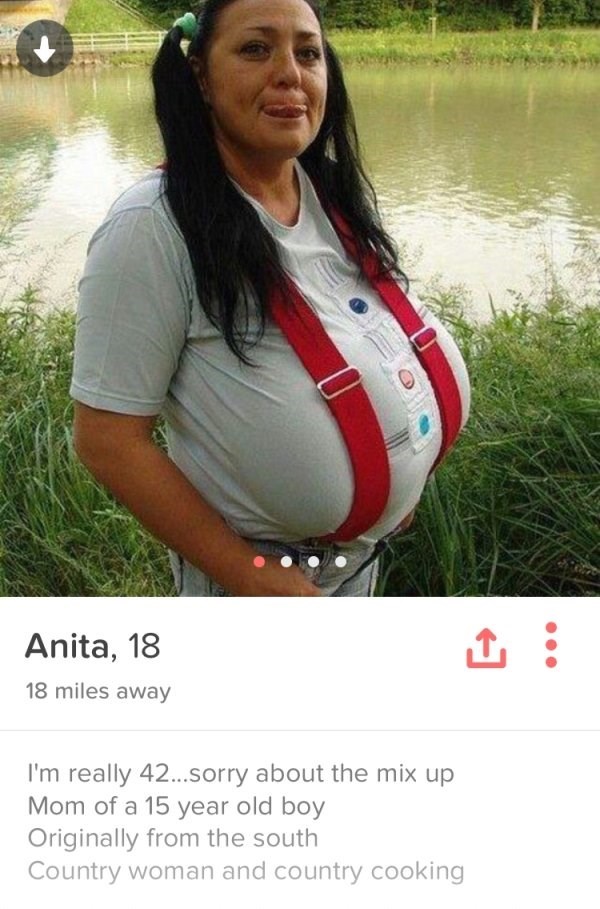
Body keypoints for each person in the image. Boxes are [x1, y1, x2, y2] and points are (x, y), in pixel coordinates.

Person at [70, 0, 470, 597]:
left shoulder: (332, 192)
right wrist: (255, 578)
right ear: (201, 77)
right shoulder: (154, 226)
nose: (290, 73)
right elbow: (107, 442)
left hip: (359, 566)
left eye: (308, 53)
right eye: (256, 49)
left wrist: (397, 485)